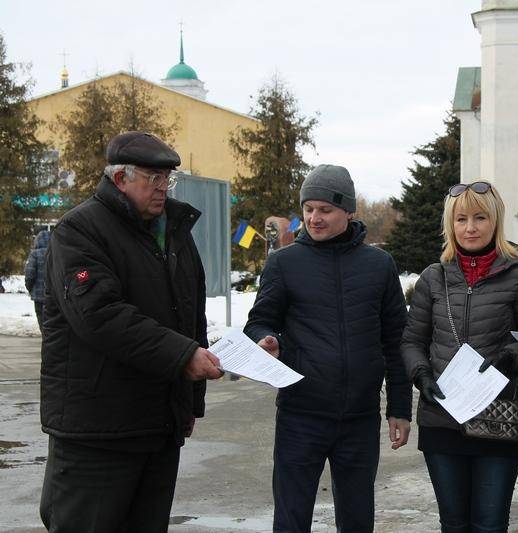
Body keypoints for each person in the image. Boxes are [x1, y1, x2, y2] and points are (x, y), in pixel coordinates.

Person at [39, 131, 223, 533]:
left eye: (168, 179)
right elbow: (99, 315)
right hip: (98, 432)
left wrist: (189, 403)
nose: (163, 188)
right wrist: (183, 357)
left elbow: (190, 315)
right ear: (120, 178)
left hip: (158, 427)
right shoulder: (79, 230)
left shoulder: (174, 232)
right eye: (153, 178)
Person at [244, 164, 412, 533]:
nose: (314, 218)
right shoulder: (284, 263)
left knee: (356, 520)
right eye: (308, 209)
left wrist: (400, 408)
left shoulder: (379, 265)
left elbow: (396, 341)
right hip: (300, 415)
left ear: (348, 211)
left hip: (360, 419)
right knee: (291, 520)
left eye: (325, 210)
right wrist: (265, 339)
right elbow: (258, 322)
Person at [402, 181, 518, 533]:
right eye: (461, 219)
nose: (470, 227)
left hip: (499, 418)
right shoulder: (433, 278)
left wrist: (512, 356)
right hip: (442, 419)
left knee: (490, 525)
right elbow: (412, 340)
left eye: (480, 217)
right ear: (450, 224)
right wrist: (420, 374)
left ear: (495, 220)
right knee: (454, 524)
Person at [25, 229, 50, 331]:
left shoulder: (35, 254)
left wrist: (30, 288)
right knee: (52, 322)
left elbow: (30, 275)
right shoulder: (55, 253)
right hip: (53, 295)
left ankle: (45, 337)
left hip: (39, 296)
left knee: (42, 322)